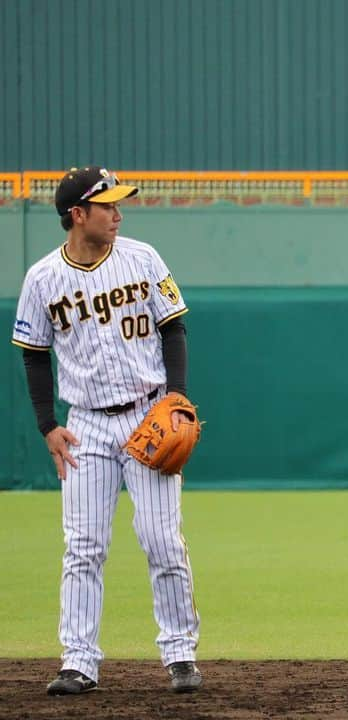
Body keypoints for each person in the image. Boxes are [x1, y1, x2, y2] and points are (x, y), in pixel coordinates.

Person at [12, 167, 203, 695]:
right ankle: (78, 661)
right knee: (83, 547)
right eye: (108, 206)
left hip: (148, 417)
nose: (119, 213)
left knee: (162, 539)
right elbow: (33, 355)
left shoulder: (143, 258)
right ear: (78, 215)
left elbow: (174, 327)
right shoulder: (43, 278)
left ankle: (180, 654)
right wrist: (48, 425)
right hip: (87, 426)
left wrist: (176, 397)